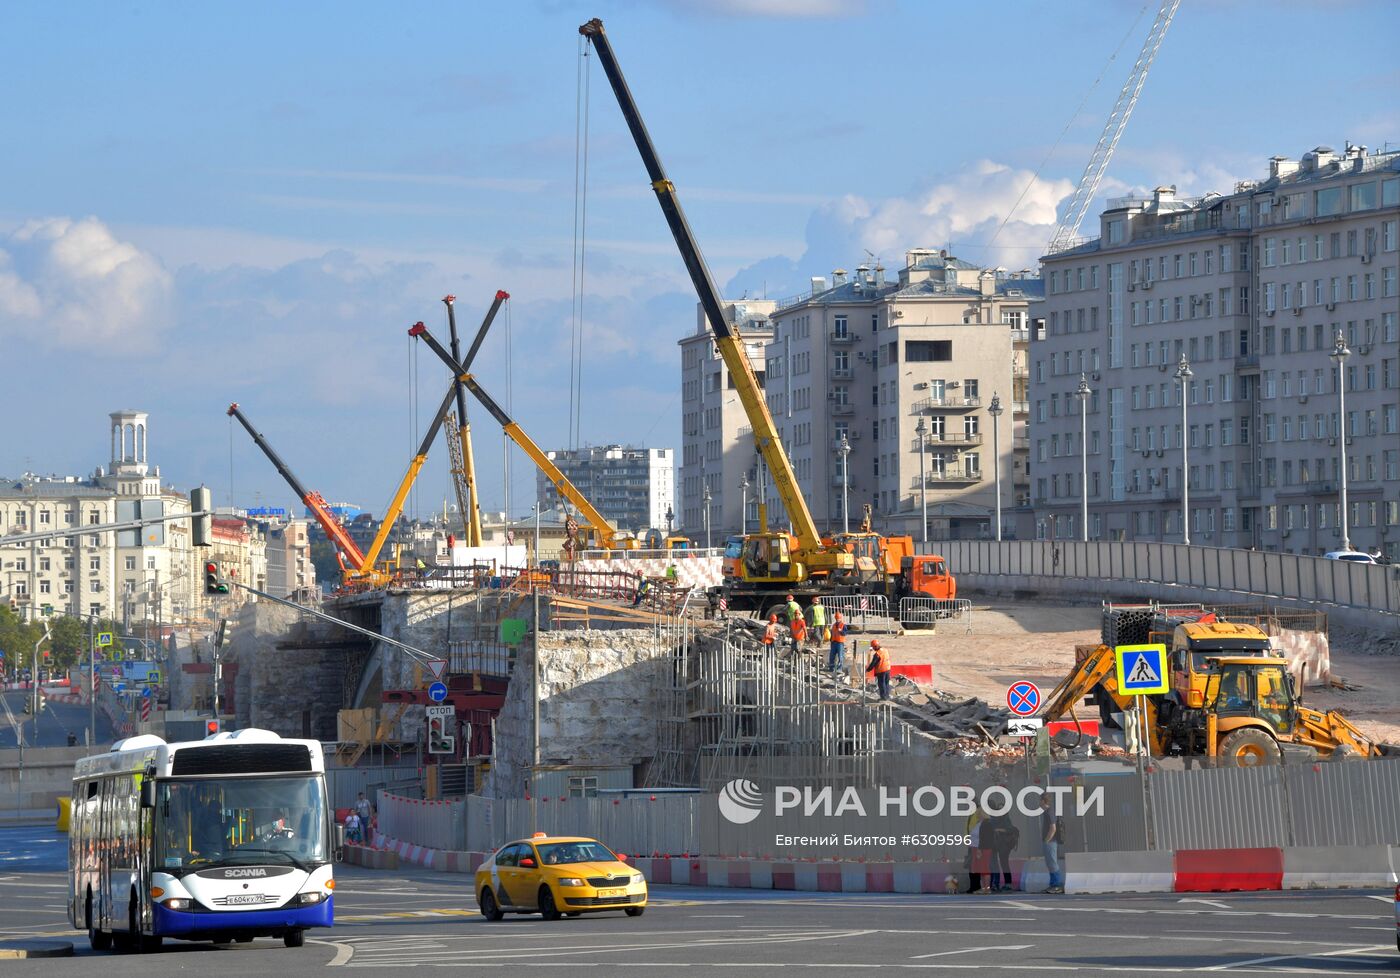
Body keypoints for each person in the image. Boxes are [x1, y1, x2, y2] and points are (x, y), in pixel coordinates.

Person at [984, 808, 1019, 892]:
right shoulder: (995, 818)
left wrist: (999, 829)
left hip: (1004, 845)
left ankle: (1007, 884)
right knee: (996, 865)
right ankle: (997, 884)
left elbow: (1010, 829)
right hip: (996, 844)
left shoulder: (1005, 819)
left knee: (1004, 864)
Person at [1040, 794, 1065, 894]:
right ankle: (1052, 884)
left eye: (1040, 800)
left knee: (1053, 863)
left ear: (1043, 801)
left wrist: (1047, 840)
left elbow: (1053, 828)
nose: (1039, 802)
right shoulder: (1047, 812)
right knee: (1050, 864)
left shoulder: (1049, 811)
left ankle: (1057, 885)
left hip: (1050, 841)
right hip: (1049, 841)